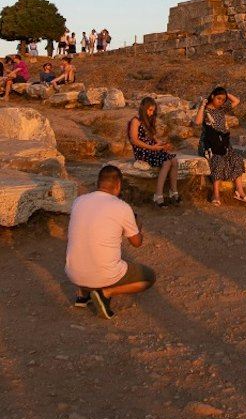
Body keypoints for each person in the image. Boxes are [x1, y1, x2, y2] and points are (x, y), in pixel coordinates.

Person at [65, 165, 156, 319]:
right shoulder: (121, 207)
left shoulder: (78, 201)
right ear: (118, 185)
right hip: (104, 274)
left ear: (98, 183)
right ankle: (105, 293)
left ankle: (83, 295)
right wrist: (137, 227)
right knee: (149, 277)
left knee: (85, 246)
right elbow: (136, 243)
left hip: (73, 273)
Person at [196, 86, 246, 205]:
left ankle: (239, 191)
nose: (220, 101)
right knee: (218, 161)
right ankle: (216, 194)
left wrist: (225, 93)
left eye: (223, 99)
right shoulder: (205, 110)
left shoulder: (222, 109)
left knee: (237, 158)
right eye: (218, 98)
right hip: (209, 145)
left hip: (223, 143)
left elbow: (237, 101)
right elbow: (198, 122)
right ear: (212, 97)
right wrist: (202, 105)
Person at [128, 96, 180, 206]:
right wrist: (152, 147)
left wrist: (162, 144)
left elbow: (153, 138)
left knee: (174, 160)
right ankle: (158, 195)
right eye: (150, 110)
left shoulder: (148, 121)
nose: (151, 113)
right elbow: (134, 140)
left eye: (153, 110)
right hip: (142, 151)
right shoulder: (135, 121)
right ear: (143, 108)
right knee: (166, 162)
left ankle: (173, 192)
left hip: (152, 148)